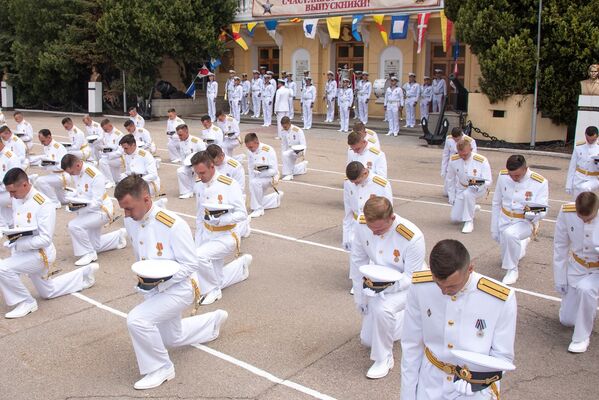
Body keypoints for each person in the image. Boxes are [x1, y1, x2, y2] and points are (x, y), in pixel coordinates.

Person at [114, 175, 228, 390]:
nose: (126, 214)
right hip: (152, 288)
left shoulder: (173, 225)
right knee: (172, 337)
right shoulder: (132, 221)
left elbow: (190, 264)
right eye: (123, 209)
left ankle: (161, 368)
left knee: (137, 320)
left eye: (129, 208)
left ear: (146, 200)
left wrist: (160, 282)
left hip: (179, 288)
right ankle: (210, 323)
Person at [401, 239, 516, 400]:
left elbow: (502, 356)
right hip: (430, 381)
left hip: (473, 387)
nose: (444, 292)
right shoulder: (420, 286)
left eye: (452, 286)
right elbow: (411, 344)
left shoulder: (499, 298)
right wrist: (407, 394)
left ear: (470, 269)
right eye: (438, 284)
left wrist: (479, 381)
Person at [0, 168, 100, 319]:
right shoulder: (17, 199)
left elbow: (45, 239)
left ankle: (26, 302)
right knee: (48, 292)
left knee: (3, 268)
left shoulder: (43, 204)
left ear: (25, 185)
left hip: (40, 254)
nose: (11, 196)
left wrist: (18, 244)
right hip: (23, 253)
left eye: (13, 191)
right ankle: (83, 274)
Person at [350, 196, 425, 379]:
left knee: (382, 308)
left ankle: (384, 359)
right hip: (378, 281)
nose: (375, 233)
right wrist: (359, 295)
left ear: (391, 218)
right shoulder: (362, 226)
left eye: (380, 229)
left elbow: (410, 277)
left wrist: (380, 289)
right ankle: (407, 321)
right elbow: (358, 260)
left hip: (411, 285)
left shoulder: (412, 236)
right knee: (367, 340)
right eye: (371, 228)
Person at [191, 151, 252, 304]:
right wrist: (198, 237)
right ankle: (241, 267)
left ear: (212, 166)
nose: (200, 176)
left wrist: (222, 220)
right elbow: (199, 214)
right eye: (197, 173)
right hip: (206, 234)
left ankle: (213, 291)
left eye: (202, 172)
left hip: (227, 235)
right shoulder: (199, 184)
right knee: (215, 275)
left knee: (200, 258)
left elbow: (242, 214)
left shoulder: (229, 184)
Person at [491, 154, 548, 285]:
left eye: (517, 175)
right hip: (505, 219)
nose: (513, 178)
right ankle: (522, 245)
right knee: (506, 252)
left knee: (510, 236)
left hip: (525, 222)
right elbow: (496, 202)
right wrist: (494, 228)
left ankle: (512, 270)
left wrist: (533, 214)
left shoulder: (539, 182)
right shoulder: (503, 176)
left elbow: (543, 210)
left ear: (525, 169)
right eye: (511, 175)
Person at [553, 192, 599, 353]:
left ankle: (581, 338)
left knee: (586, 290)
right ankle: (585, 310)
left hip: (597, 271)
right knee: (566, 320)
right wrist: (560, 278)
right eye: (581, 217)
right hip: (578, 267)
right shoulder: (567, 212)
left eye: (589, 218)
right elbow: (560, 246)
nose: (584, 221)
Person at [61, 154, 127, 266]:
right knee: (95, 245)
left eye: (71, 172)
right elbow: (80, 192)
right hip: (88, 210)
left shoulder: (95, 176)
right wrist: (72, 198)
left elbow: (97, 203)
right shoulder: (77, 172)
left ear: (77, 165)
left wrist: (78, 207)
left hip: (102, 211)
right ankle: (118, 236)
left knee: (74, 225)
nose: (71, 175)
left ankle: (89, 253)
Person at [343, 161, 392, 251]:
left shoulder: (381, 184)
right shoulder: (348, 182)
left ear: (365, 172)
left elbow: (388, 213)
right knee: (356, 262)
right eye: (353, 183)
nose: (355, 185)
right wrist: (346, 235)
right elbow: (348, 210)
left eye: (357, 182)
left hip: (374, 229)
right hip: (356, 229)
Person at [205, 144, 251, 238]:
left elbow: (240, 188)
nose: (214, 164)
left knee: (234, 233)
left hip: (234, 197)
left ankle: (245, 225)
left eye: (216, 162)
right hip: (217, 197)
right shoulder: (210, 164)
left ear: (221, 155)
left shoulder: (235, 166)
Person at [446, 140, 492, 234]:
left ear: (471, 149)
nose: (463, 157)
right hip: (461, 187)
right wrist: (451, 195)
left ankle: (469, 221)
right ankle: (472, 208)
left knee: (468, 194)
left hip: (479, 188)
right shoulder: (454, 160)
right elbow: (450, 179)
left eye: (465, 155)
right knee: (455, 219)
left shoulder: (481, 160)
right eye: (460, 154)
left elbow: (488, 181)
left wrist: (476, 183)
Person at [244, 133, 283, 218]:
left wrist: (260, 173)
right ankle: (275, 199)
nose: (250, 149)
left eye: (251, 147)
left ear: (257, 142)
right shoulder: (249, 151)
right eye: (248, 147)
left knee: (255, 183)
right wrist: (250, 182)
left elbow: (274, 170)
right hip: (257, 177)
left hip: (271, 178)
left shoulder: (268, 150)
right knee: (253, 201)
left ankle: (259, 209)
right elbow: (250, 169)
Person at [31, 129, 69, 208]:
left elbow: (63, 166)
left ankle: (54, 203)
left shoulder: (58, 147)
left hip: (62, 176)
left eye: (43, 141)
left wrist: (46, 166)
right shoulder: (47, 146)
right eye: (41, 142)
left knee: (39, 181)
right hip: (54, 175)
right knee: (64, 200)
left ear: (49, 137)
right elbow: (47, 161)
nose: (42, 143)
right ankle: (73, 194)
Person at [441, 127, 478, 196]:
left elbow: (473, 156)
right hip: (452, 164)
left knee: (460, 188)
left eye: (457, 140)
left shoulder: (470, 141)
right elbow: (445, 155)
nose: (455, 141)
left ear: (461, 135)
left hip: (462, 164)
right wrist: (443, 169)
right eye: (454, 139)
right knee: (446, 193)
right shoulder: (449, 139)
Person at [565, 125, 599, 199]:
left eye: (592, 140)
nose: (590, 141)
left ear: (597, 137)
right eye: (588, 139)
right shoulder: (579, 146)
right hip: (579, 177)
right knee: (575, 202)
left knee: (584, 189)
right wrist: (568, 184)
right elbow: (572, 166)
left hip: (593, 178)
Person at [174, 124, 207, 199]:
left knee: (199, 187)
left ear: (186, 132)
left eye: (181, 135)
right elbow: (183, 157)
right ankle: (187, 192)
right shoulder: (181, 142)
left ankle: (193, 189)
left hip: (199, 164)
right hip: (188, 165)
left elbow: (204, 154)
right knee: (180, 171)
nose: (179, 137)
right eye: (178, 135)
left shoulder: (196, 141)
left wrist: (198, 165)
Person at [0, 138, 23, 227]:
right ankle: (6, 225)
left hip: (9, 192)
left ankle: (2, 226)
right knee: (8, 217)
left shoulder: (11, 157)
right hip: (3, 191)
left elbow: (15, 180)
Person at [97, 119, 125, 188]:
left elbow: (121, 151)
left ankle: (110, 182)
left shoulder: (119, 134)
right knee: (118, 179)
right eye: (103, 129)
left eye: (106, 129)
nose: (105, 131)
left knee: (102, 162)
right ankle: (107, 180)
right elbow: (106, 146)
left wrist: (109, 155)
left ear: (110, 125)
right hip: (110, 157)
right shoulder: (106, 133)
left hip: (119, 158)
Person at [279, 116, 308, 181]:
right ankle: (302, 167)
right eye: (283, 127)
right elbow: (284, 144)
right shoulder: (283, 131)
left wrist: (303, 154)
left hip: (298, 151)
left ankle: (288, 174)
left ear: (289, 123)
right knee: (287, 159)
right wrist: (282, 154)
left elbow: (303, 144)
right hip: (289, 151)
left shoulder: (297, 130)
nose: (284, 128)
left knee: (286, 155)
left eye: (285, 127)